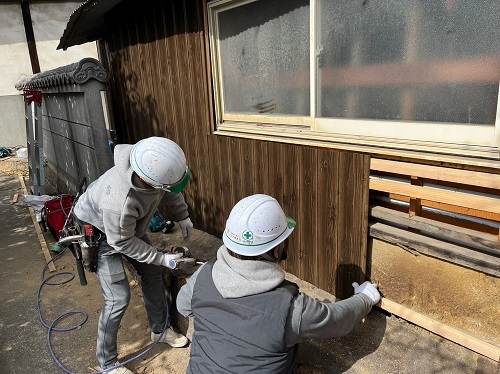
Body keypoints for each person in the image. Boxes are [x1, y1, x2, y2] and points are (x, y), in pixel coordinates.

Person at [176, 194, 381, 374]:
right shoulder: (291, 309)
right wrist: (366, 298)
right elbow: (338, 320)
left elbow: (183, 306)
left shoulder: (205, 274)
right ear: (276, 251)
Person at [73, 136, 194, 374]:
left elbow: (169, 189)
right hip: (99, 231)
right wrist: (161, 256)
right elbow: (121, 241)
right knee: (118, 298)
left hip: (126, 230)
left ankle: (159, 330)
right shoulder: (120, 201)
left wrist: (182, 215)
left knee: (152, 272)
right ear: (148, 181)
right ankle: (107, 363)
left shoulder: (151, 168)